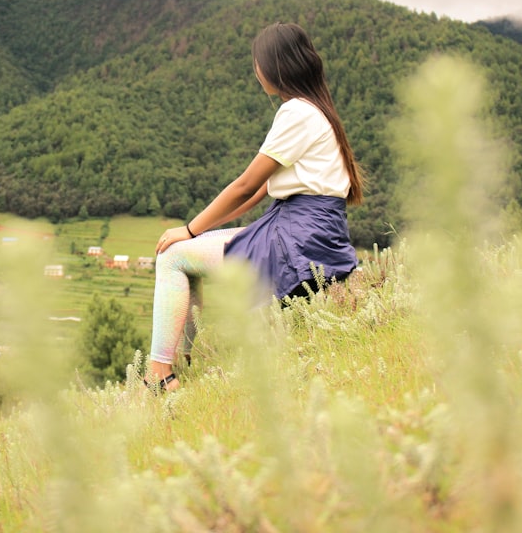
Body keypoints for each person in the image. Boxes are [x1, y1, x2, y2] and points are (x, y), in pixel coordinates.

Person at [146, 22, 364, 391]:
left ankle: (159, 375)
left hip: (298, 234)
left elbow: (245, 185)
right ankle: (180, 365)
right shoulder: (316, 111)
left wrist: (188, 230)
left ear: (274, 68)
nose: (256, 71)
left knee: (173, 257)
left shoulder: (296, 112)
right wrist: (198, 232)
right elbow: (259, 191)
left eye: (257, 64)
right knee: (184, 254)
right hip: (308, 228)